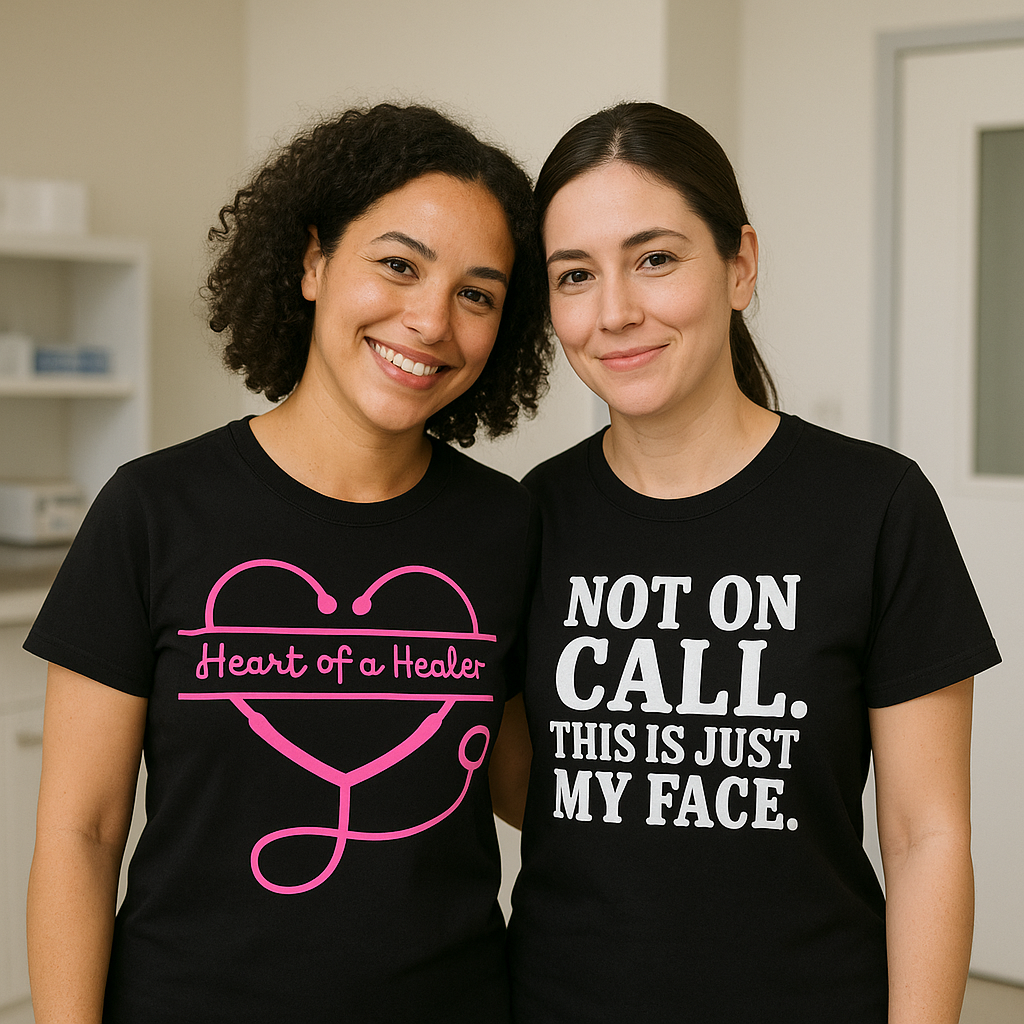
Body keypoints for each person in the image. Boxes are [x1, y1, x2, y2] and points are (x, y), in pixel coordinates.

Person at [25, 103, 550, 1024]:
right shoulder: (155, 511)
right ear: (312, 263)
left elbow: (528, 791)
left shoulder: (510, 527)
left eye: (478, 293)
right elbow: (81, 832)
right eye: (398, 265)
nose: (429, 319)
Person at [500, 102, 1001, 1024]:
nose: (614, 312)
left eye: (655, 258)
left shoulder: (875, 507)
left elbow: (927, 836)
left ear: (740, 265)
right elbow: (528, 785)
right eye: (576, 275)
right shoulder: (530, 516)